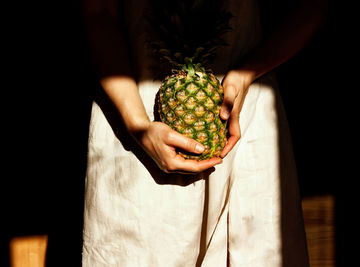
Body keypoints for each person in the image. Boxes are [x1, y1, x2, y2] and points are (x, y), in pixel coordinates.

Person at [81, 0, 327, 266]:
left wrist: (247, 73)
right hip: (134, 104)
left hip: (248, 100)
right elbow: (97, 10)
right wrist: (138, 125)